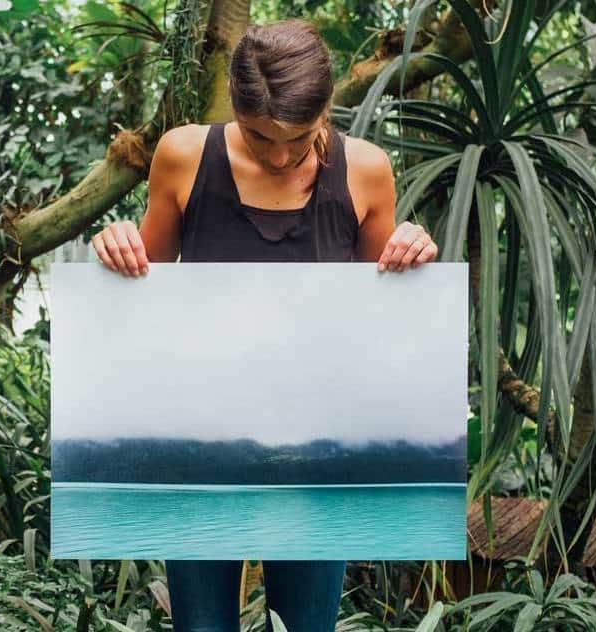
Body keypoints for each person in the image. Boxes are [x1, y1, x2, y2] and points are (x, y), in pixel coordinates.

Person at [91, 18, 438, 632]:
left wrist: (411, 250)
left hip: (316, 452)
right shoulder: (183, 155)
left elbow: (382, 315)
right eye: (258, 138)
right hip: (200, 442)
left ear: (328, 109)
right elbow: (142, 284)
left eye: (299, 139)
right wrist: (118, 244)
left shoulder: (366, 170)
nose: (280, 156)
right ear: (233, 102)